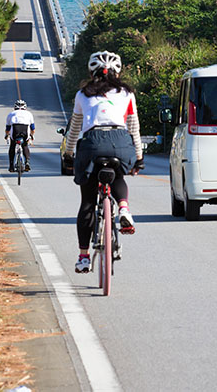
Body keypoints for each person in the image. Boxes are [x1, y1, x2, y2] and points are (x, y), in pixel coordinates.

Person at [63, 51, 144, 274]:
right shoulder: (127, 94)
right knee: (117, 175)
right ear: (118, 72)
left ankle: (83, 257)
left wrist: (69, 153)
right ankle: (124, 209)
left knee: (88, 202)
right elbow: (133, 127)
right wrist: (138, 157)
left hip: (92, 143)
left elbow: (75, 129)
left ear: (91, 72)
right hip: (119, 141)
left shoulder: (82, 94)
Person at [5, 99, 35, 173]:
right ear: (25, 107)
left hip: (15, 130)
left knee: (12, 146)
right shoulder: (29, 114)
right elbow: (33, 128)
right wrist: (31, 136)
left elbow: (8, 128)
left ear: (15, 107)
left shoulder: (11, 114)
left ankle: (11, 166)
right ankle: (27, 162)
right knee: (25, 145)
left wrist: (6, 135)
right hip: (25, 130)